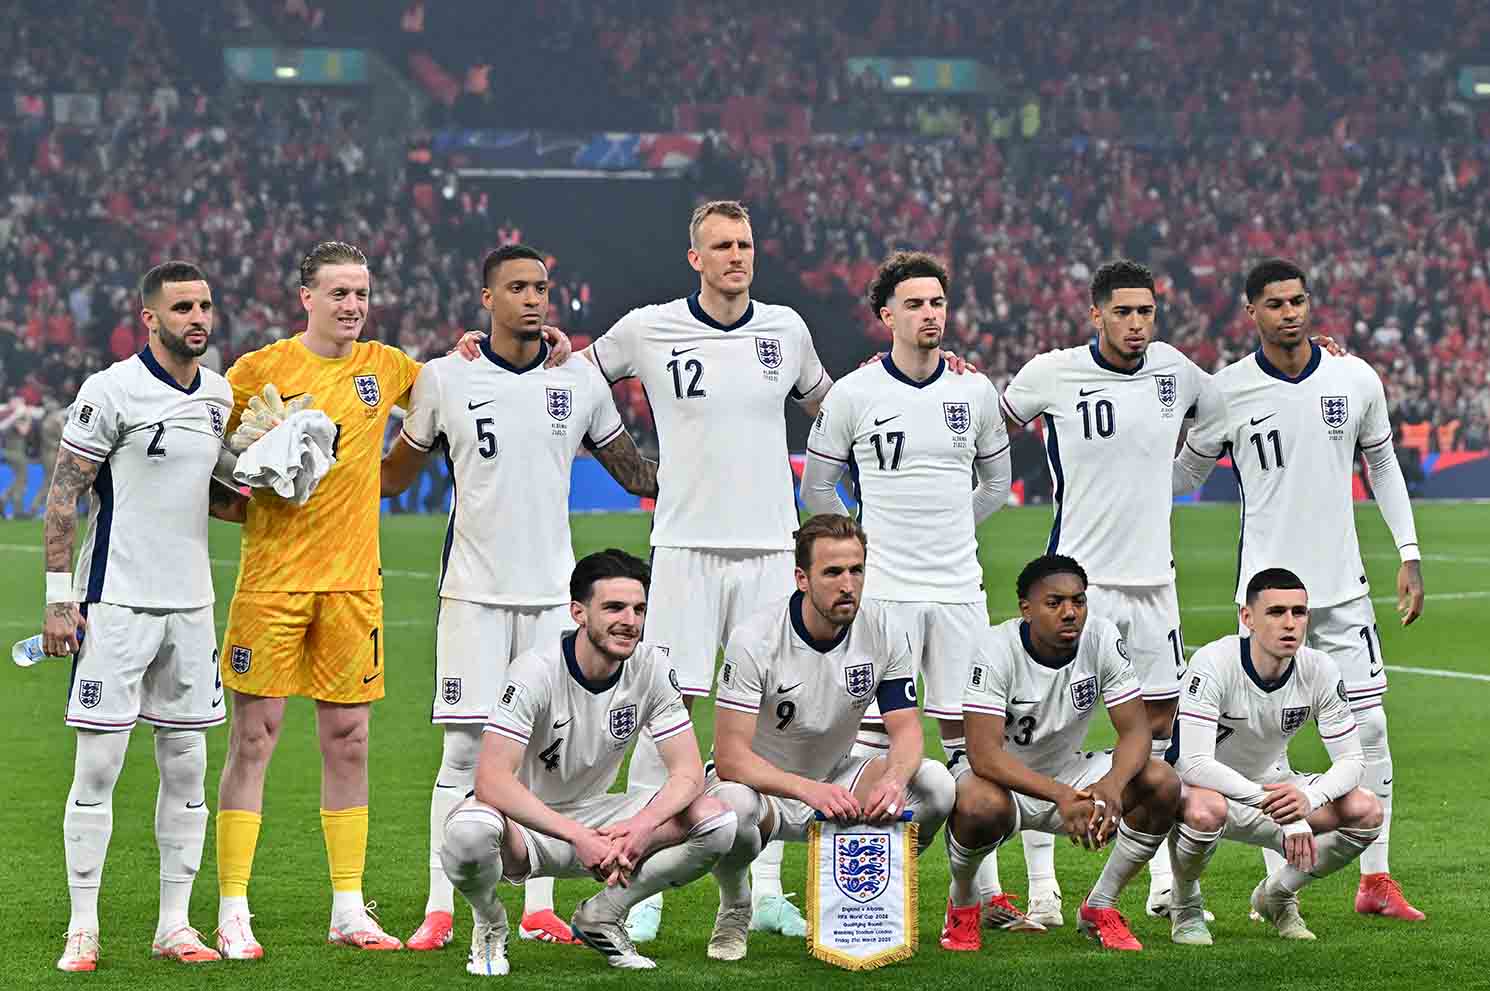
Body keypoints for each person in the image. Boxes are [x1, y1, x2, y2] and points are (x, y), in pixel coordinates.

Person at [383, 244, 658, 950]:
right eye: (518, 287)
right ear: (487, 299)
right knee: (464, 751)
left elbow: (633, 471)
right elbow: (391, 475)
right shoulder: (445, 377)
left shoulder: (580, 378)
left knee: (550, 757)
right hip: (471, 594)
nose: (534, 298)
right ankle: (441, 904)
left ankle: (539, 905)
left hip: (550, 599)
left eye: (541, 286)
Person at [581, 200, 834, 940]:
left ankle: (767, 887)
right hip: (686, 548)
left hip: (767, 549)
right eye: (721, 245)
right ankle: (645, 878)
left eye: (745, 244)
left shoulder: (785, 331)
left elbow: (836, 409)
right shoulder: (647, 327)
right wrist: (632, 467)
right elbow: (570, 379)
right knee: (664, 715)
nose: (736, 255)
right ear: (694, 257)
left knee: (776, 724)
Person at [1174, 257, 1425, 921]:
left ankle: (1375, 880)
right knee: (1263, 743)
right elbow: (1184, 471)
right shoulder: (1226, 390)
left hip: (1342, 589)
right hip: (1266, 595)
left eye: (1298, 300)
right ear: (1250, 311)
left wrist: (1409, 551)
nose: (1290, 312)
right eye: (1275, 303)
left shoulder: (1353, 376)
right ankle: (1270, 892)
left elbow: (1382, 463)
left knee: (1370, 723)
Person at [212, 241, 425, 958]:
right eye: (338, 292)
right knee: (254, 737)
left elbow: (450, 398)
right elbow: (205, 454)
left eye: (361, 292)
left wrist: (478, 348)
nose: (353, 305)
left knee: (350, 740)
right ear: (306, 296)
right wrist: (243, 496)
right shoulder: (259, 370)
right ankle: (233, 906)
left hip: (353, 585)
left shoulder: (387, 368)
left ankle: (347, 906)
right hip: (271, 582)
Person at [993, 260, 1220, 923]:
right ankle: (1043, 892)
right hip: (1077, 588)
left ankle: (1147, 879)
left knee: (1157, 732)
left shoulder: (1175, 371)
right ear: (1096, 314)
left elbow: (1227, 407)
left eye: (1146, 311)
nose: (1136, 323)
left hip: (1154, 586)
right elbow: (989, 427)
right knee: (1041, 737)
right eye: (1122, 311)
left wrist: (1181, 474)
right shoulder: (1053, 371)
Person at [44, 261, 243, 971]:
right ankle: (83, 925)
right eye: (183, 306)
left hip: (191, 608)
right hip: (117, 603)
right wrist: (58, 598)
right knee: (98, 766)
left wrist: (279, 479)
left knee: (187, 768)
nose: (199, 316)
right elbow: (66, 493)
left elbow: (215, 496)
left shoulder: (220, 395)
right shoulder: (111, 389)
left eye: (207, 305)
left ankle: (174, 924)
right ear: (150, 317)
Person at [440, 549, 736, 976]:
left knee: (717, 820)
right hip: (525, 828)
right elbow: (491, 781)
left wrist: (643, 824)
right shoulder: (535, 672)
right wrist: (577, 836)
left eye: (638, 609)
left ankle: (603, 914)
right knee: (469, 832)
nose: (629, 621)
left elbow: (689, 772)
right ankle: (489, 922)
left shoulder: (651, 667)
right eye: (613, 607)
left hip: (603, 821)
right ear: (578, 612)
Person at [800, 249, 1009, 832]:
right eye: (914, 304)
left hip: (959, 591)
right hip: (884, 594)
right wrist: (857, 554)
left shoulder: (975, 392)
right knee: (871, 741)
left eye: (937, 303)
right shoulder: (854, 393)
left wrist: (948, 531)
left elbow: (995, 484)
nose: (929, 314)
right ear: (886, 316)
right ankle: (866, 893)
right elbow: (818, 487)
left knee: (975, 745)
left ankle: (979, 895)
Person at [705, 514, 956, 961]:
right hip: (763, 786)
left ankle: (879, 886)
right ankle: (735, 907)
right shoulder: (754, 639)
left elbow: (907, 729)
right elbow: (729, 758)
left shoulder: (882, 628)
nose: (848, 584)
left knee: (935, 785)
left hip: (838, 776)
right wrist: (807, 790)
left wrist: (895, 781)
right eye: (833, 572)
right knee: (731, 811)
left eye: (856, 570)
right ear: (802, 578)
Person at [941, 554, 1181, 952]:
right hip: (1003, 781)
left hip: (1070, 774)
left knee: (1160, 780)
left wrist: (1111, 784)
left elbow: (1137, 731)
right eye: (1055, 603)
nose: (1070, 612)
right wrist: (1060, 795)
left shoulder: (1101, 637)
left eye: (1079, 601)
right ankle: (964, 903)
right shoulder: (995, 647)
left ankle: (1099, 906)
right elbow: (982, 755)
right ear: (1027, 609)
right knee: (978, 803)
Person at [1168, 568, 1383, 944]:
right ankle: (1185, 906)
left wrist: (1309, 799)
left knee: (1366, 811)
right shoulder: (1214, 662)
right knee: (1205, 810)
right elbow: (1192, 763)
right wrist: (1279, 807)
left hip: (1273, 789)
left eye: (1298, 613)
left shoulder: (1319, 668)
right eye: (1276, 612)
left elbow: (1352, 760)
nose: (1290, 623)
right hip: (1206, 793)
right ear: (1246, 618)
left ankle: (1277, 895)